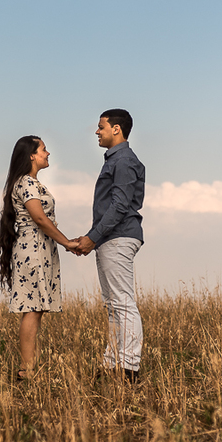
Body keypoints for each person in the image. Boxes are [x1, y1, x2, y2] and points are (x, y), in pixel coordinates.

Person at [0, 135, 80, 381]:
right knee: (32, 309)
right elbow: (40, 219)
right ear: (31, 155)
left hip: (39, 248)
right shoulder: (27, 184)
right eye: (43, 149)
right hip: (33, 249)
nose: (48, 153)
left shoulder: (30, 183)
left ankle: (28, 368)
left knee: (37, 308)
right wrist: (67, 243)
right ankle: (26, 369)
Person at [71, 109, 145, 384]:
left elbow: (120, 206)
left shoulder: (123, 160)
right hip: (110, 237)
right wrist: (93, 237)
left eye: (101, 127)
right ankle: (113, 365)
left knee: (122, 303)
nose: (97, 132)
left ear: (116, 129)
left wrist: (93, 237)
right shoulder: (117, 159)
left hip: (118, 236)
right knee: (114, 305)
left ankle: (128, 369)